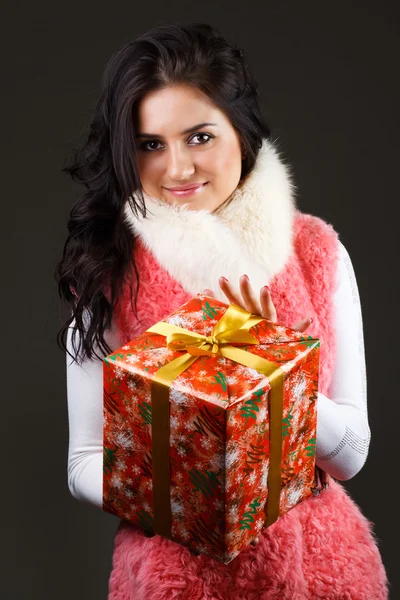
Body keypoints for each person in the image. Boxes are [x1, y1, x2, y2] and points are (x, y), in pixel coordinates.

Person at [55, 22, 389, 600]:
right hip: (175, 577)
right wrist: (193, 481)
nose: (178, 169)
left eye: (200, 137)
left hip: (322, 571)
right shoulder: (110, 273)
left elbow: (351, 456)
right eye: (151, 144)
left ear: (242, 130)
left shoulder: (316, 252)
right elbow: (83, 464)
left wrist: (272, 367)